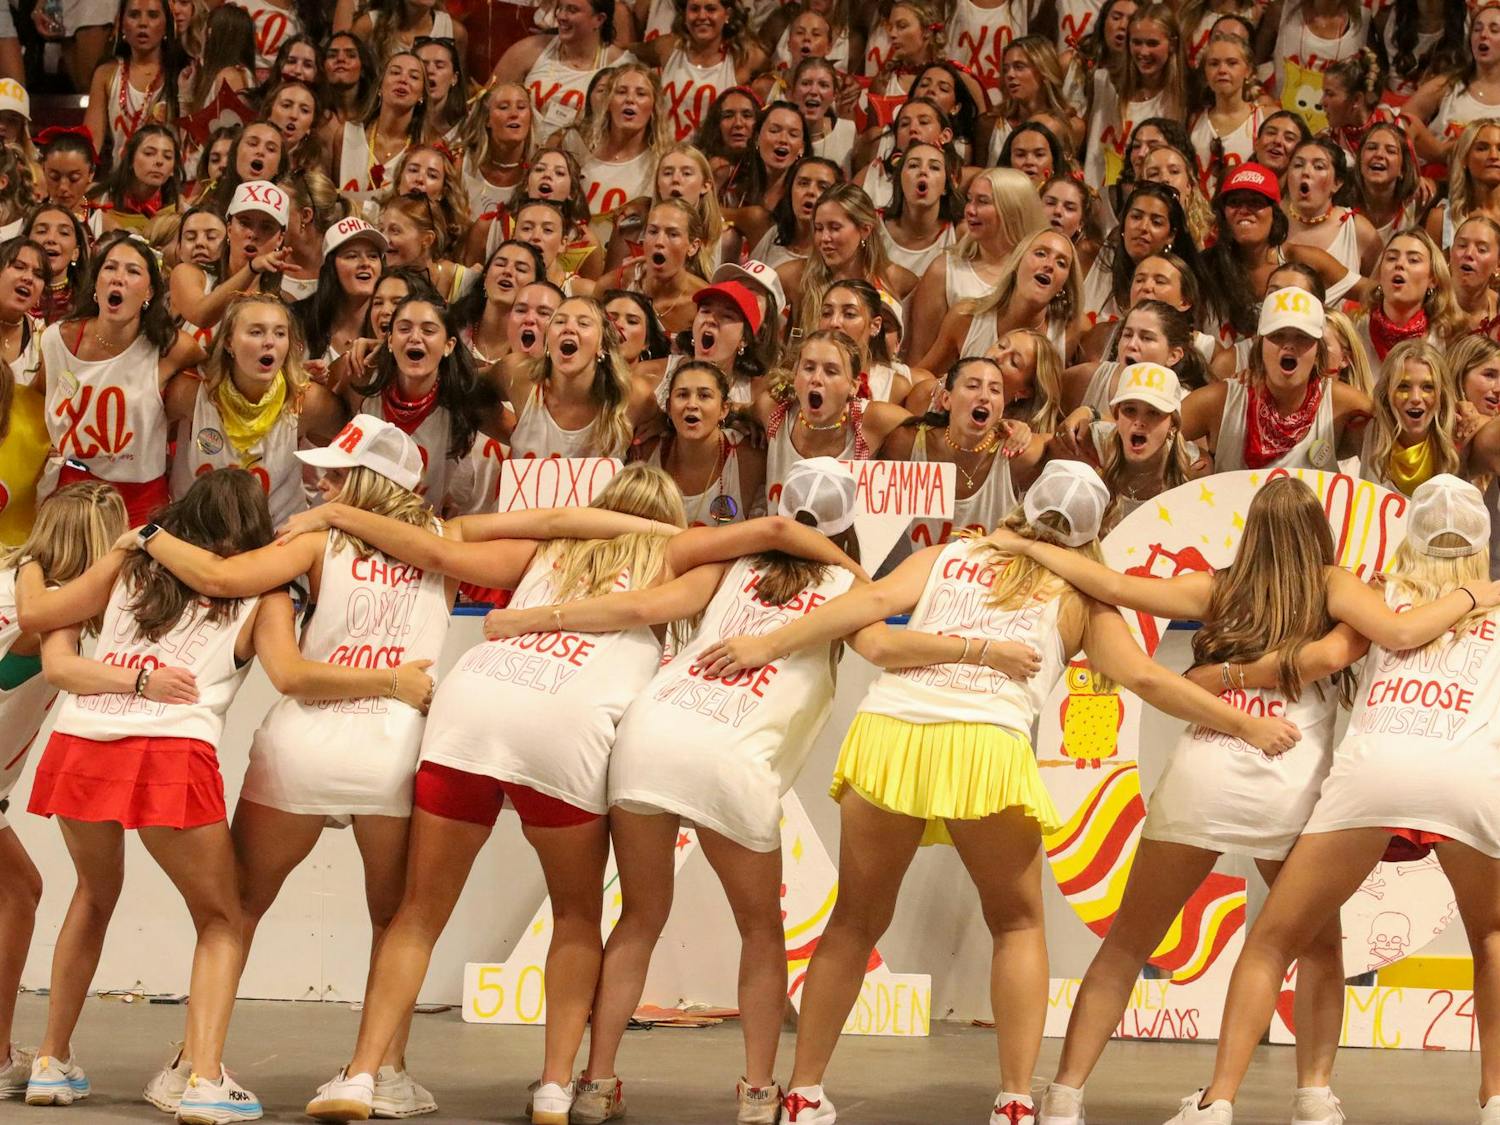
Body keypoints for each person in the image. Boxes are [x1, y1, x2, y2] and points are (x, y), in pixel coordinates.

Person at [696, 459, 1301, 1125]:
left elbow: (863, 609)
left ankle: (803, 1091)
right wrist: (1246, 722)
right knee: (1016, 923)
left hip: (890, 733)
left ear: (1023, 500)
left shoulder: (946, 554)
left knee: (854, 919)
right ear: (1097, 528)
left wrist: (766, 643)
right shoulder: (1082, 594)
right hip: (987, 740)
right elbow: (1149, 682)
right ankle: (1015, 1101)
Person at [291, 466, 859, 1125]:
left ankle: (368, 1074)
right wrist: (860, 577)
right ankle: (570, 1085)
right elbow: (762, 540)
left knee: (422, 911)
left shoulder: (548, 546)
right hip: (583, 725)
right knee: (583, 915)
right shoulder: (680, 547)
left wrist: (339, 516)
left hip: (478, 706)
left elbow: (445, 544)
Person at [483, 457, 863, 1124]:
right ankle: (755, 1092)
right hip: (733, 755)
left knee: (638, 916)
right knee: (760, 930)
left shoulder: (726, 564)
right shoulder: (853, 588)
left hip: (650, 735)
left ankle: (595, 1083)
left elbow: (638, 605)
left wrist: (532, 618)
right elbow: (887, 647)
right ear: (848, 529)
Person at [128, 418, 447, 1117]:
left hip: (300, 748)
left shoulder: (314, 540)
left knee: (236, 907)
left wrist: (148, 533)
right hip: (390, 750)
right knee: (394, 918)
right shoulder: (443, 544)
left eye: (336, 474)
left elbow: (218, 573)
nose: (320, 482)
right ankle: (381, 1072)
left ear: (366, 483)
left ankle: (192, 1064)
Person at [1162, 474, 1500, 1125]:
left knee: (1273, 938)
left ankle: (1217, 1101)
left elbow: (1302, 650)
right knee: (1491, 935)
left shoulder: (1372, 596)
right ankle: (1494, 1100)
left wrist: (1216, 675)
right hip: (1468, 774)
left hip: (1373, 772)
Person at [23, 470, 276, 1121]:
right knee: (222, 917)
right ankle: (205, 1077)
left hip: (82, 741)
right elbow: (290, 672)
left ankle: (51, 1060)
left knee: (92, 892)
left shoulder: (128, 570)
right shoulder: (261, 595)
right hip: (170, 751)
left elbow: (46, 619)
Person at [0, 484, 127, 1099]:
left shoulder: (13, 574)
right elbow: (60, 664)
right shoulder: (55, 611)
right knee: (16, 893)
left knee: (18, 888)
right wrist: (143, 681)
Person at [40, 232, 205, 525]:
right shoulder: (57, 339)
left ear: (149, 293)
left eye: (133, 271)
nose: (119, 278)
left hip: (141, 497)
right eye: (110, 268)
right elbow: (38, 397)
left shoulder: (170, 347)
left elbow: (218, 373)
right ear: (96, 284)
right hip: (74, 488)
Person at [166, 293, 345, 526]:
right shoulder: (188, 393)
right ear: (229, 342)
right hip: (196, 536)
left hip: (275, 541)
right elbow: (149, 440)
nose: (269, 341)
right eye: (256, 332)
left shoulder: (307, 401)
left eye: (280, 333)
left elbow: (357, 453)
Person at [1180, 287, 1370, 475]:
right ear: (1259, 345)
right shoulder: (1220, 400)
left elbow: (1391, 440)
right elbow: (1157, 436)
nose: (1288, 345)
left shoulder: (1342, 402)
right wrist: (1187, 466)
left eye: (1302, 337)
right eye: (1277, 335)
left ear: (1318, 353)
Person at [900, 355, 1049, 549]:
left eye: (995, 390)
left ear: (1002, 408)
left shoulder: (1018, 454)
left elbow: (1069, 440)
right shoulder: (907, 443)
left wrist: (1088, 413)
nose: (984, 396)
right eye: (972, 386)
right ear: (946, 399)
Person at [638, 359, 766, 524]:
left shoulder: (749, 457)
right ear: (669, 407)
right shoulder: (646, 451)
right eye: (683, 395)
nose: (692, 404)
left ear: (724, 409)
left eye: (704, 396)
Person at [1358, 340, 1459, 495]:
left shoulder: (1461, 434)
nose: (1416, 398)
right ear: (1386, 392)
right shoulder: (1365, 430)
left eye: (1428, 387)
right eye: (1403, 386)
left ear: (1442, 395)